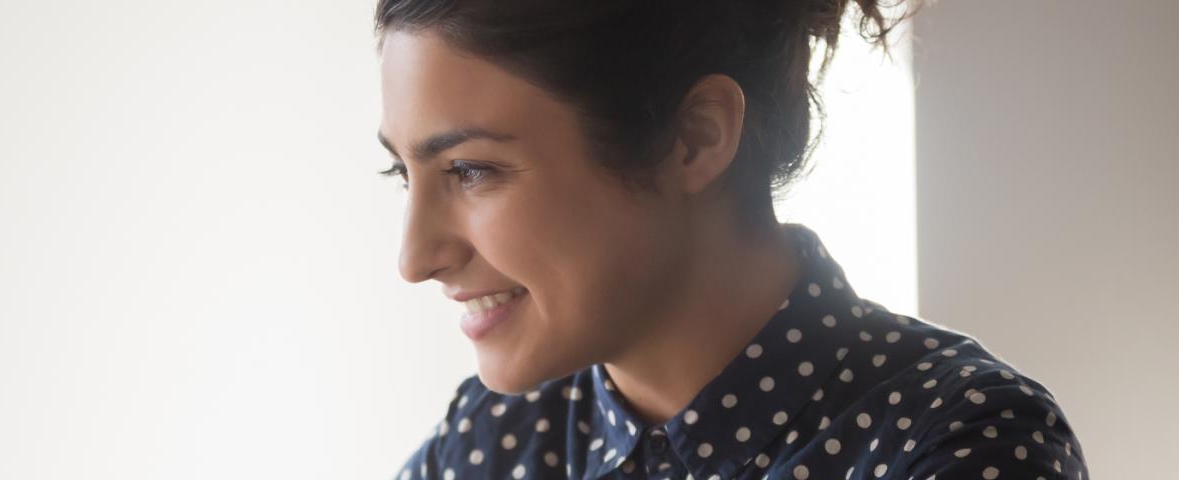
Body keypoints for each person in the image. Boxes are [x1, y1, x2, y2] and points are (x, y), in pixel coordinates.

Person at [373, 0, 1088, 478]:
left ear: (695, 137)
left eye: (471, 170)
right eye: (403, 171)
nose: (415, 258)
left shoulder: (961, 441)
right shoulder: (492, 440)